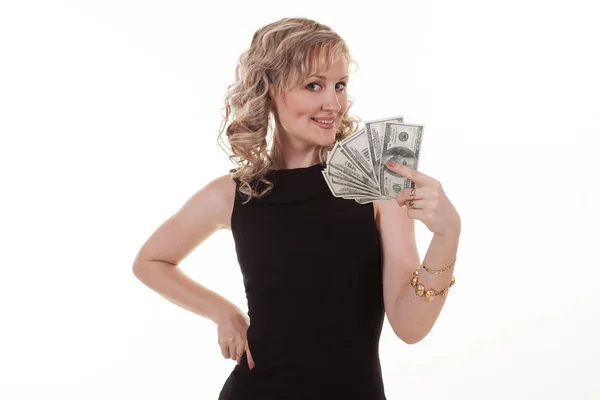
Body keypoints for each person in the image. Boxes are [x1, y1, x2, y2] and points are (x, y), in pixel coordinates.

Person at [132, 17, 462, 400]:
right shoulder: (232, 195)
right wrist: (224, 312)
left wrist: (447, 235)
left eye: (339, 85)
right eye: (313, 85)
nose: (333, 103)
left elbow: (410, 326)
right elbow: (150, 261)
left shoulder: (377, 187)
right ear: (269, 89)